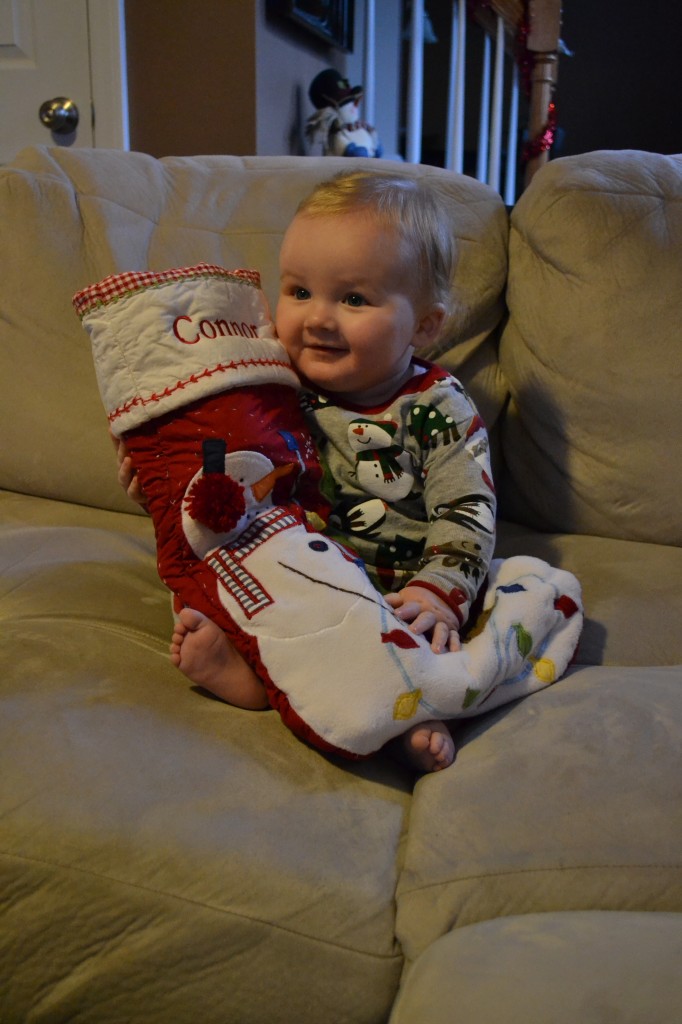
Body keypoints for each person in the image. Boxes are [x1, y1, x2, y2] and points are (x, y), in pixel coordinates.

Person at [116, 170, 496, 772]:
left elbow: (466, 508)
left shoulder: (437, 407)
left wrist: (439, 590)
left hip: (392, 591)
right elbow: (237, 488)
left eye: (353, 299)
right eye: (298, 292)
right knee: (217, 586)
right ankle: (253, 671)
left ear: (424, 326)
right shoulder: (272, 390)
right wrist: (165, 493)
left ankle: (402, 715)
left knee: (436, 636)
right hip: (295, 576)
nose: (317, 318)